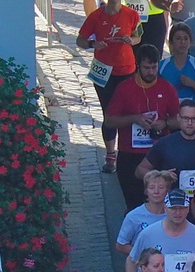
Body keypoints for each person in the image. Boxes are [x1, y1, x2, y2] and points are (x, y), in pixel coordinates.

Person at [80, 0, 144, 173]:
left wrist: (130, 40)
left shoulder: (131, 14)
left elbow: (138, 37)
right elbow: (80, 40)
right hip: (103, 72)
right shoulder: (96, 16)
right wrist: (94, 44)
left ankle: (127, 151)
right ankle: (110, 154)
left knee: (129, 111)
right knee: (109, 113)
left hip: (127, 70)